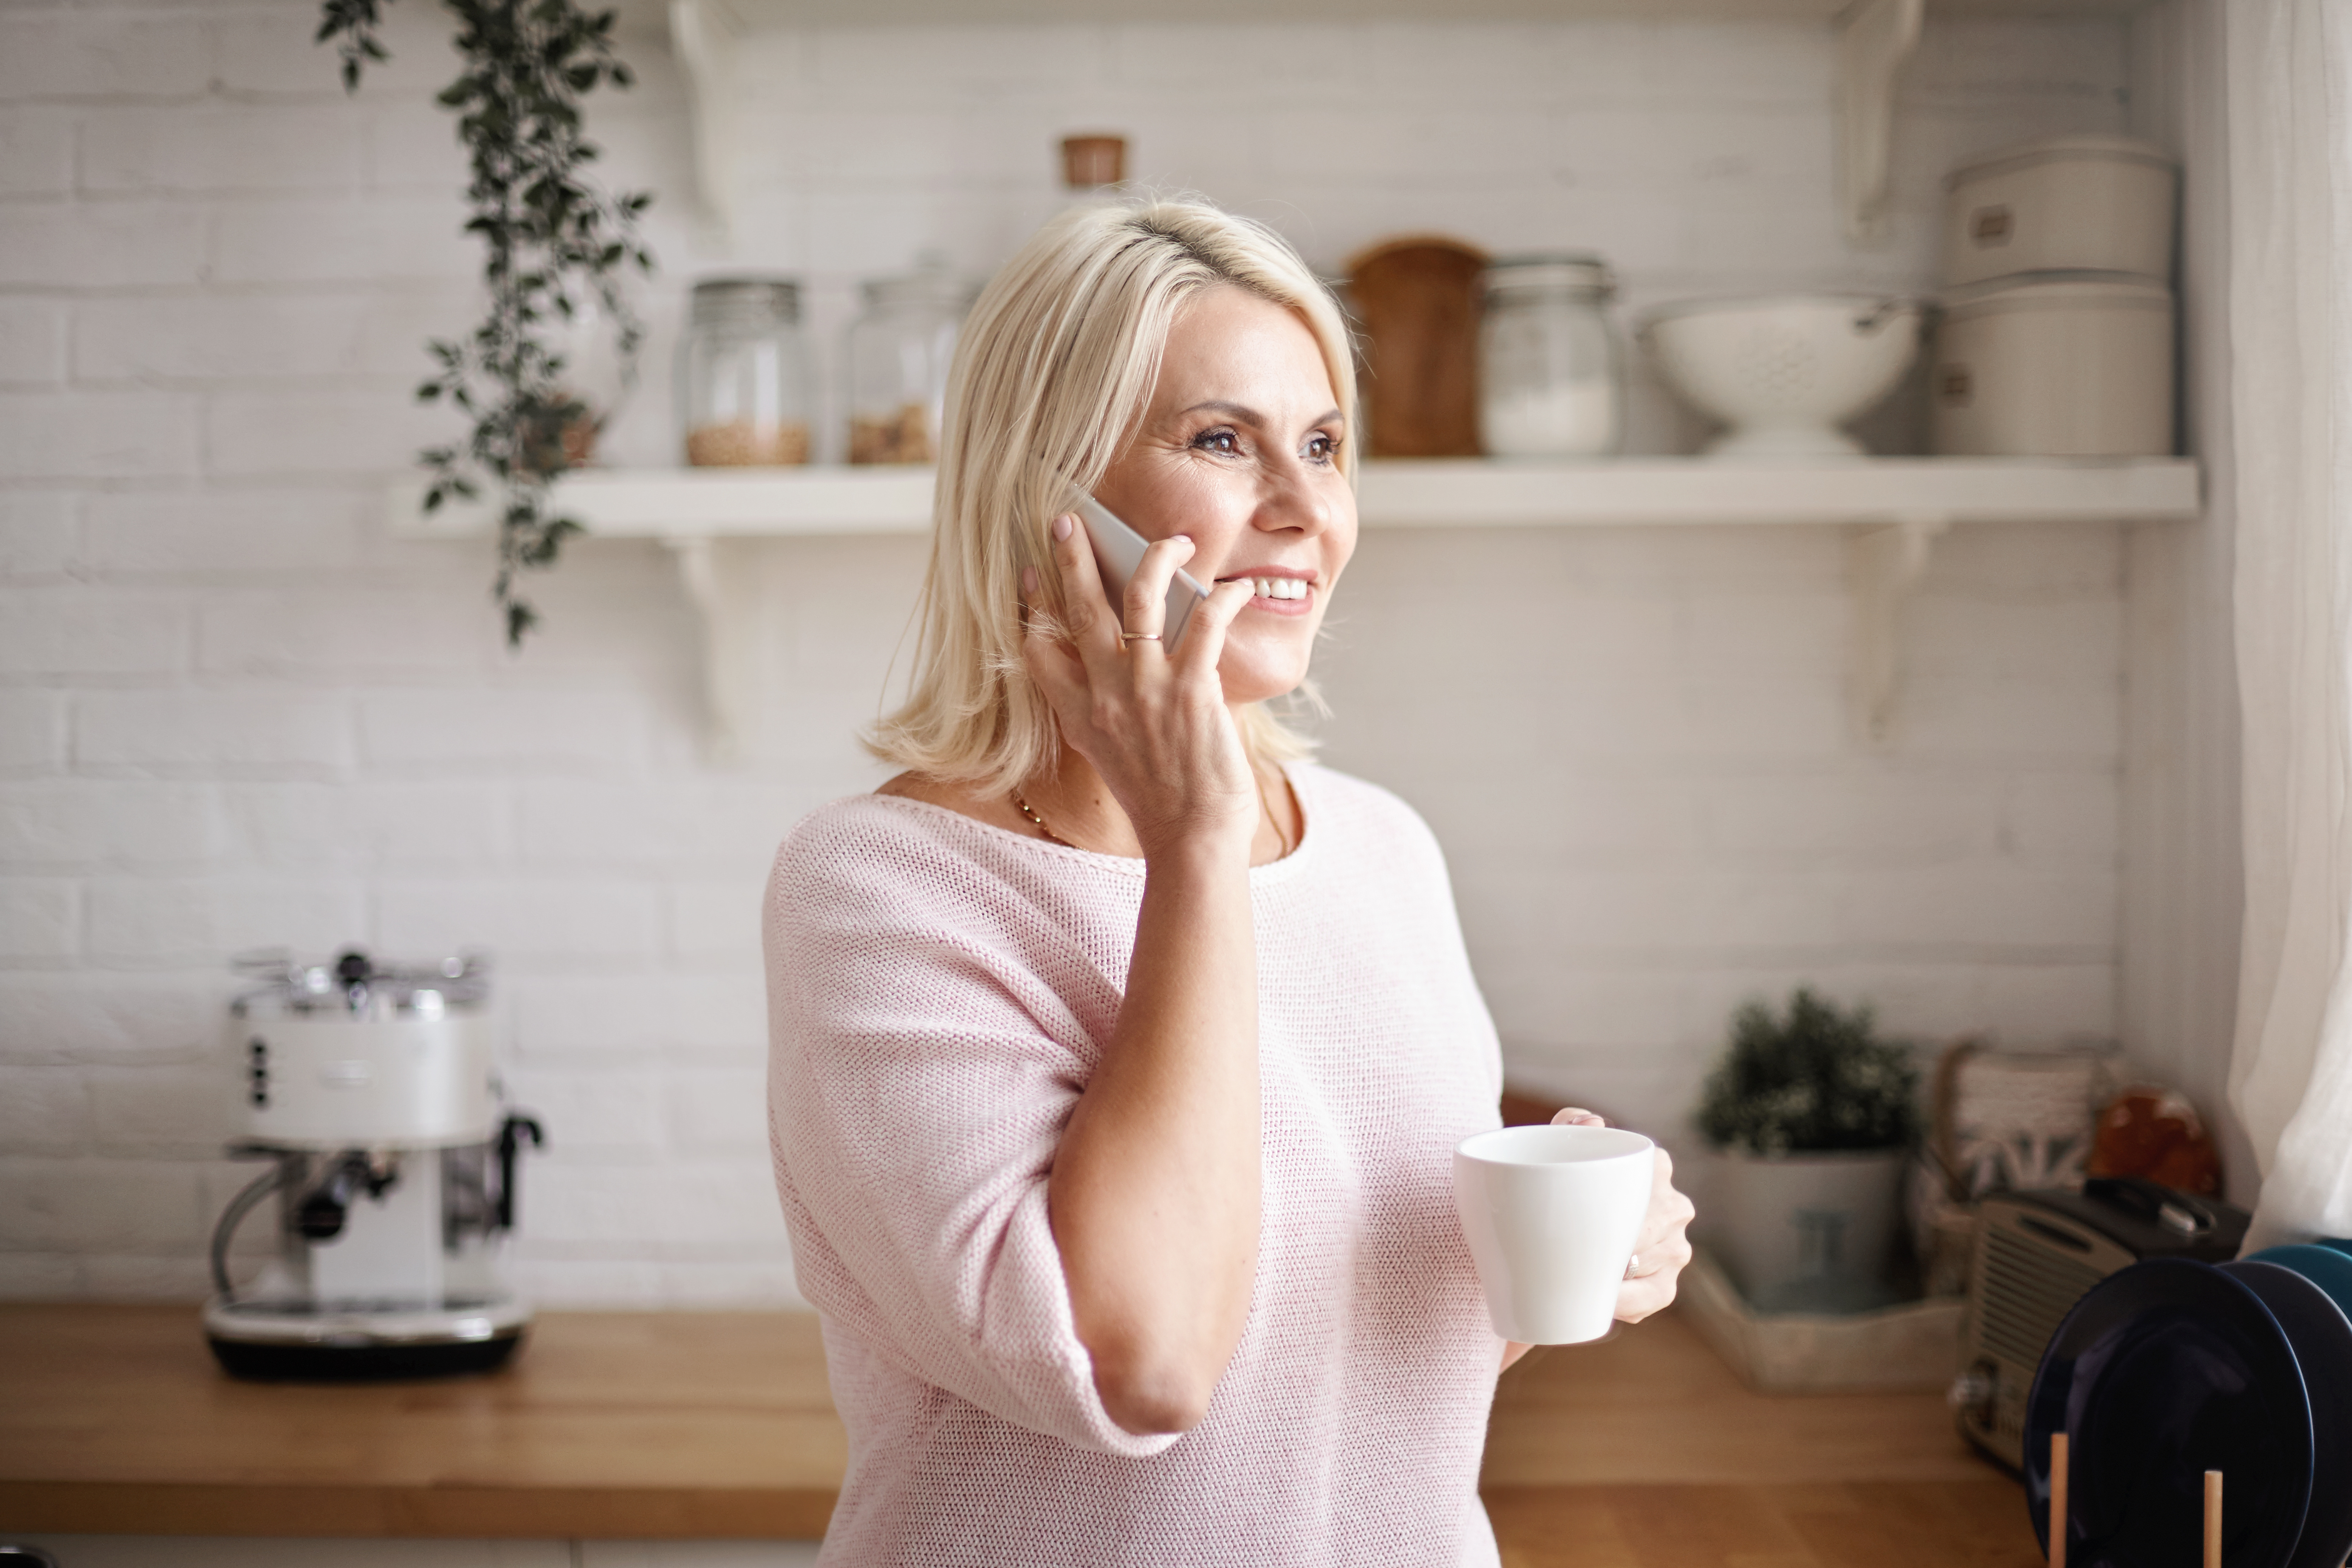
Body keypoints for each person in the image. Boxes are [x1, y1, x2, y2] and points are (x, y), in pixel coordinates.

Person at [762, 197, 1695, 1567]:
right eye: (1221, 441)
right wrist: (1192, 839)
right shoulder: (880, 891)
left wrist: (1573, 1255)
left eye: (1323, 445)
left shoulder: (1379, 847)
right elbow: (1139, 1363)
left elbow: (1350, 1358)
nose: (1307, 509)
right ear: (1050, 499)